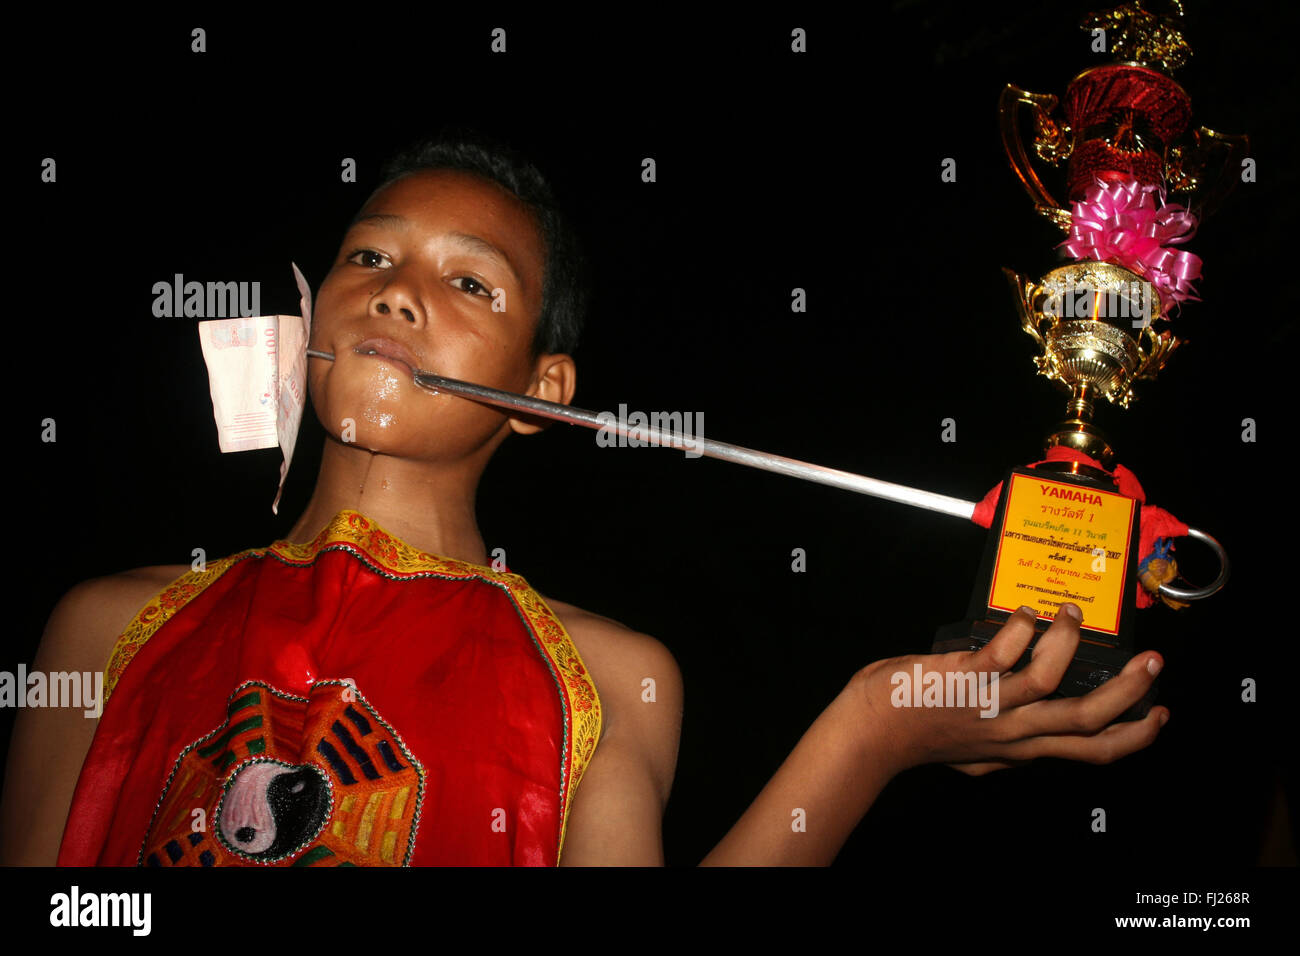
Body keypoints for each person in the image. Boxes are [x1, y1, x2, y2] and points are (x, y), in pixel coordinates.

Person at [0, 133, 1169, 867]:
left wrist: (871, 731)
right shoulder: (104, 625)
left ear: (541, 393)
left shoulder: (612, 675)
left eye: (469, 282)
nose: (399, 296)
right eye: (369, 259)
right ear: (307, 325)